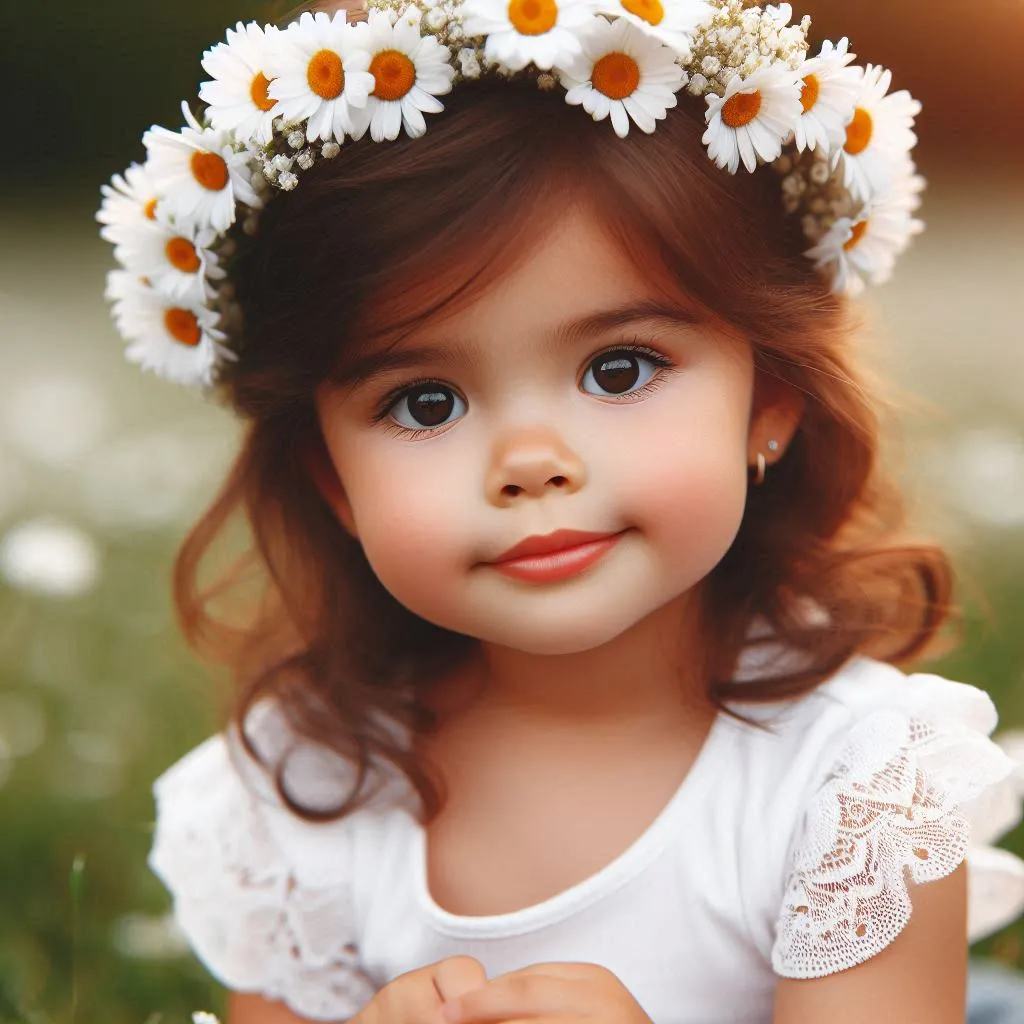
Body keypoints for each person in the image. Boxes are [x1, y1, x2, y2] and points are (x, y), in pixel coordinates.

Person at [97, 0, 1024, 1020]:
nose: (529, 463)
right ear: (332, 482)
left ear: (768, 405)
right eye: (425, 402)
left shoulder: (855, 783)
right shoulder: (307, 783)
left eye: (619, 369)